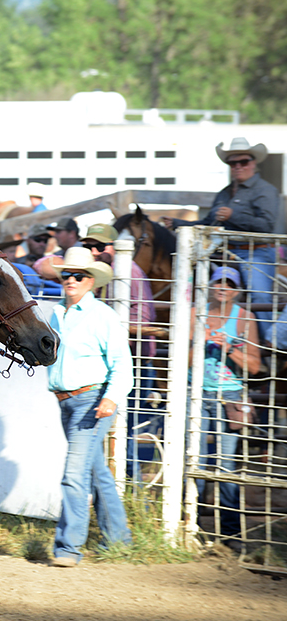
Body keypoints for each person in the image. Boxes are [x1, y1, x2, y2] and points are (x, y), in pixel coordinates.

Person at [45, 246, 134, 567]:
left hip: (92, 401)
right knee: (95, 473)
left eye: (78, 275)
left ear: (92, 281)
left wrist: (111, 398)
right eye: (67, 274)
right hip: (67, 402)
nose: (71, 279)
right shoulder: (55, 312)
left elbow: (123, 364)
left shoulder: (103, 316)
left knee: (73, 475)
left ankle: (68, 548)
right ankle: (119, 539)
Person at [163, 137, 278, 339]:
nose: (238, 167)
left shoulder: (266, 191)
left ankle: (267, 347)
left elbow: (266, 225)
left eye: (243, 162)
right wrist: (178, 224)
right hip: (226, 252)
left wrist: (233, 215)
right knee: (196, 284)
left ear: (253, 163)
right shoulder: (224, 193)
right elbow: (209, 222)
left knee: (260, 297)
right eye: (233, 163)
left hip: (257, 252)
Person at [189, 266, 261, 547]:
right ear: (209, 286)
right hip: (194, 393)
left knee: (225, 464)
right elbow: (182, 359)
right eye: (217, 281)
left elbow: (254, 366)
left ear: (238, 290)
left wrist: (229, 348)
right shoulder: (197, 314)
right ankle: (188, 525)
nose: (222, 286)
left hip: (230, 396)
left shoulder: (245, 318)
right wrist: (201, 342)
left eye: (229, 282)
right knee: (191, 458)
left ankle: (231, 533)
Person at [81, 223, 160, 479]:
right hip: (114, 361)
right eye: (88, 246)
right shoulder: (101, 273)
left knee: (125, 431)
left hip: (134, 361)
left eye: (99, 246)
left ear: (113, 247)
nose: (93, 251)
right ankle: (121, 488)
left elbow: (145, 321)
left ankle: (131, 488)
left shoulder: (130, 273)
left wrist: (106, 328)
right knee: (115, 431)